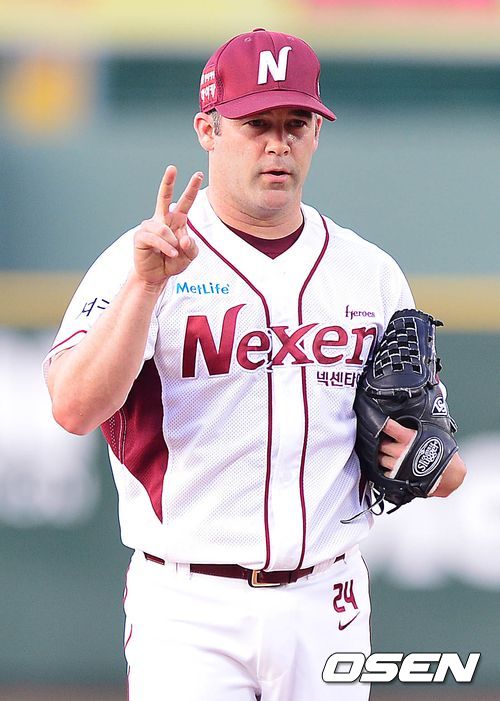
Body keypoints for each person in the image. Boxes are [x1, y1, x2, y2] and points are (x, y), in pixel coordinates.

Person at [44, 28, 466, 701]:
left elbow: (442, 462)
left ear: (317, 133)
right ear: (208, 130)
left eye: (295, 123)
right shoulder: (143, 257)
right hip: (189, 605)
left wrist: (427, 463)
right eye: (256, 123)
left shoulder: (370, 272)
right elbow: (73, 407)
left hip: (328, 599)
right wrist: (145, 288)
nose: (278, 144)